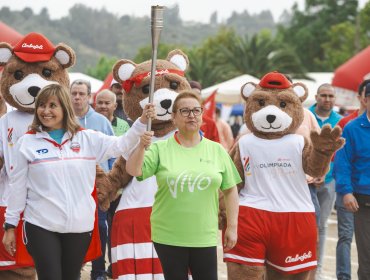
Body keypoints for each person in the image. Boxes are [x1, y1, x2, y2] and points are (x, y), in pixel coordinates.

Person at [2, 84, 155, 280]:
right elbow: (18, 187)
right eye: (41, 105)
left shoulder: (86, 138)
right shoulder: (27, 142)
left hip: (79, 226)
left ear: (64, 108)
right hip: (40, 225)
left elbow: (121, 145)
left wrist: (142, 122)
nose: (46, 111)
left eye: (52, 105)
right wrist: (10, 225)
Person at [126, 90, 240, 279]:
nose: (192, 115)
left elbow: (230, 189)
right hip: (168, 234)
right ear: (174, 117)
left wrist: (232, 226)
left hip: (204, 235)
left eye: (196, 110)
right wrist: (140, 147)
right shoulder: (159, 148)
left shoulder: (216, 150)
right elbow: (134, 170)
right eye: (185, 111)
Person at [70, 79, 114, 280]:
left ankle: (98, 271)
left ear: (90, 97)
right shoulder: (64, 119)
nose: (77, 97)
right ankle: (75, 268)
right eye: (74, 93)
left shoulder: (101, 122)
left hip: (99, 186)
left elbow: (114, 153)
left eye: (81, 94)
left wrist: (113, 183)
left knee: (101, 228)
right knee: (76, 230)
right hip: (74, 186)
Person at [334, 82, 370, 280]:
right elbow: (343, 163)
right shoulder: (352, 128)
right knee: (367, 258)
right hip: (364, 201)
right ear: (365, 100)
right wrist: (346, 191)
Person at [94, 88, 130, 278]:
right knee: (100, 229)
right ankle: (98, 269)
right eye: (100, 102)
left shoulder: (125, 126)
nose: (103, 106)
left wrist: (116, 186)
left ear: (115, 106)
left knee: (115, 229)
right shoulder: (90, 124)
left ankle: (114, 267)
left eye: (107, 103)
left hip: (118, 189)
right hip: (96, 188)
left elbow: (125, 155)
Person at [308, 83, 342, 277]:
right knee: (305, 223)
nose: (327, 99)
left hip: (329, 181)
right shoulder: (306, 116)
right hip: (306, 181)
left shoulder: (341, 121)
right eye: (323, 95)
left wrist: (326, 173)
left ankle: (318, 269)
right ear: (316, 96)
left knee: (322, 225)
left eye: (330, 96)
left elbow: (342, 154)